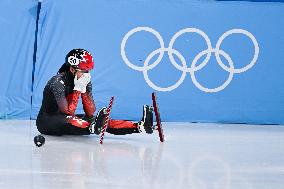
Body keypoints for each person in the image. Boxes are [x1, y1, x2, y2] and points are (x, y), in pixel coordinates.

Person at [36, 49, 155, 136]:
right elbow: (68, 112)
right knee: (74, 120)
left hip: (67, 117)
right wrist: (77, 89)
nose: (87, 74)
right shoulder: (57, 82)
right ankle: (92, 128)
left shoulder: (83, 79)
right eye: (84, 71)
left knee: (97, 120)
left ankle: (139, 127)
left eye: (88, 71)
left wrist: (83, 90)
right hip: (47, 121)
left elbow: (90, 111)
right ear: (72, 69)